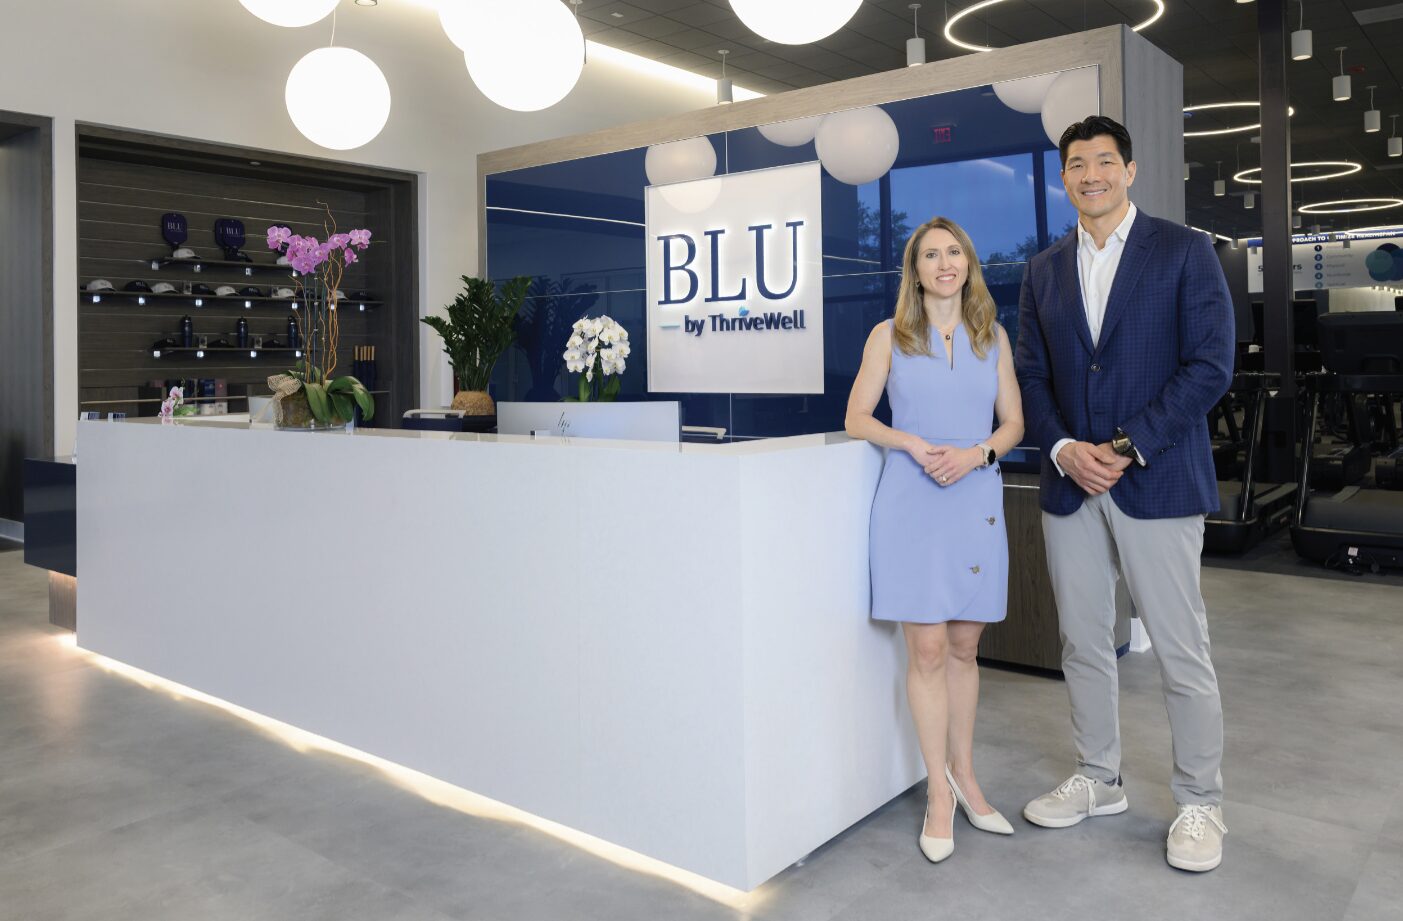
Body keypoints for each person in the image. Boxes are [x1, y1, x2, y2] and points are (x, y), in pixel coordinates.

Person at [1013, 115, 1235, 872]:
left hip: (1157, 477)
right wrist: (1066, 447)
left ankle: (1200, 801)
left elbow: (1209, 365)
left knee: (1180, 649)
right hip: (1069, 482)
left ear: (1129, 171)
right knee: (1082, 641)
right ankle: (1099, 777)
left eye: (1103, 161)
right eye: (1075, 164)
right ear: (1064, 177)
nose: (1089, 175)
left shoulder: (1183, 250)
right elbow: (1030, 376)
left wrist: (1125, 444)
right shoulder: (1042, 268)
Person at [846, 216, 1025, 864]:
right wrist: (911, 442)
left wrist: (977, 454)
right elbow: (856, 415)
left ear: (968, 263)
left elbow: (1012, 423)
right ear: (914, 269)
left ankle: (965, 774)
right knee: (923, 649)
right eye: (930, 254)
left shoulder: (992, 336)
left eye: (953, 252)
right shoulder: (887, 337)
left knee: (963, 645)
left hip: (972, 494)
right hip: (911, 499)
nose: (943, 263)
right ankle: (938, 795)